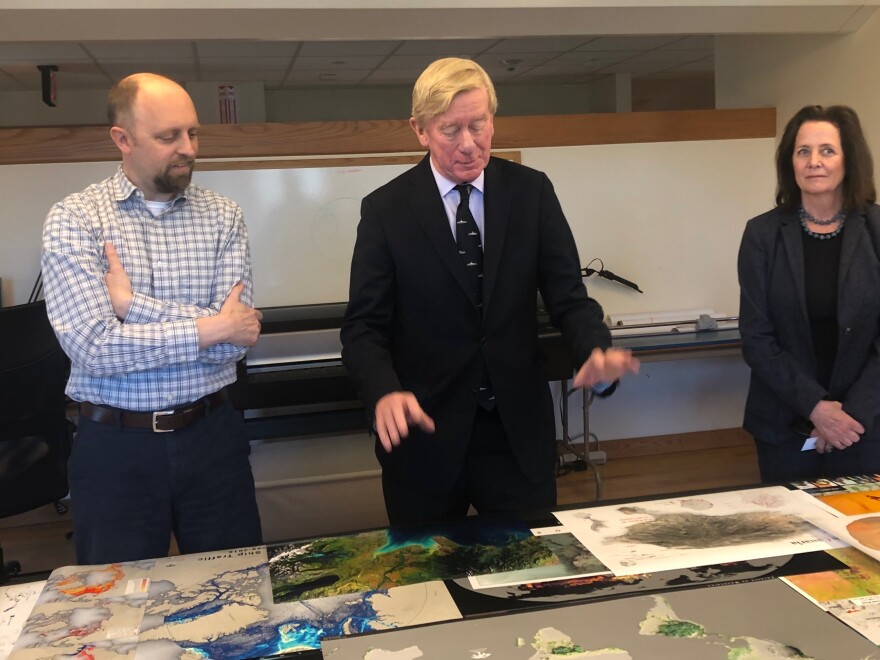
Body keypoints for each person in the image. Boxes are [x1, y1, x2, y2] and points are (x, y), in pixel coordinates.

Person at [341, 58, 639, 526]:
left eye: (479, 125)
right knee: (430, 588)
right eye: (450, 130)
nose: (468, 144)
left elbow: (568, 296)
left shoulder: (531, 193)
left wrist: (595, 348)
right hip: (426, 440)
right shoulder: (385, 210)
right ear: (419, 130)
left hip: (517, 436)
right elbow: (364, 327)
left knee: (534, 579)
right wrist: (384, 391)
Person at [41, 73, 263, 564]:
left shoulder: (224, 216)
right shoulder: (75, 220)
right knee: (116, 612)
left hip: (213, 438)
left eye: (193, 133)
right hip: (116, 448)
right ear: (123, 139)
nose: (188, 149)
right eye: (168, 137)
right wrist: (212, 325)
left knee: (237, 589)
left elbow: (237, 340)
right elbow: (94, 348)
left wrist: (132, 308)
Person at [738, 104, 880, 483]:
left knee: (859, 535)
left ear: (849, 159)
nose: (814, 161)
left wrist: (848, 418)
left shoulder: (877, 230)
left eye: (827, 150)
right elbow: (757, 338)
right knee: (790, 537)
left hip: (866, 425)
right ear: (791, 162)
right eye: (803, 151)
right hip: (784, 425)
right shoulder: (762, 235)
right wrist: (817, 409)